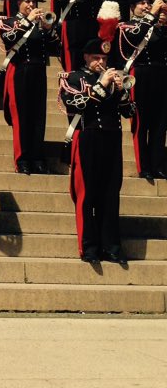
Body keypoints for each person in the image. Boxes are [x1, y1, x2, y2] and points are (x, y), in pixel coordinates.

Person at [59, 36, 134, 265]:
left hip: (111, 139)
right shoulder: (72, 77)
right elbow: (73, 104)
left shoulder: (113, 81)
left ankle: (111, 245)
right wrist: (101, 84)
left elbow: (129, 112)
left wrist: (121, 91)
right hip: (87, 138)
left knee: (110, 194)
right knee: (87, 194)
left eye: (103, 58)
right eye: (96, 58)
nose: (100, 62)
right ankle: (89, 247)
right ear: (85, 57)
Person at [0, 0, 59, 174]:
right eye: (27, 2)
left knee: (38, 116)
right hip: (20, 69)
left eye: (33, 2)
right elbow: (8, 38)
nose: (31, 5)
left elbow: (55, 47)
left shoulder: (41, 25)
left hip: (39, 71)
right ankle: (22, 159)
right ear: (19, 4)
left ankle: (37, 157)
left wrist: (48, 30)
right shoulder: (9, 22)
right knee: (22, 116)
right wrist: (27, 22)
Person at [116, 0, 167, 182]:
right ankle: (143, 166)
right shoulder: (126, 25)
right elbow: (136, 37)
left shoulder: (159, 25)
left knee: (160, 123)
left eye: (148, 3)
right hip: (140, 73)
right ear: (132, 7)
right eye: (141, 4)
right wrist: (152, 14)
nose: (146, 6)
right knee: (141, 121)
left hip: (162, 73)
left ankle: (158, 165)